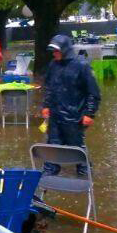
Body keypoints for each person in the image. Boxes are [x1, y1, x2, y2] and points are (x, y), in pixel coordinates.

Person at [41, 34, 100, 175]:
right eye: (53, 51)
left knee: (77, 148)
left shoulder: (82, 65)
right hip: (55, 116)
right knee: (53, 146)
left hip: (75, 117)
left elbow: (93, 92)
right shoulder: (53, 65)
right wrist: (46, 106)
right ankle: (49, 173)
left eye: (56, 51)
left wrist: (89, 113)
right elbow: (49, 87)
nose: (54, 54)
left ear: (65, 50)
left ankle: (85, 174)